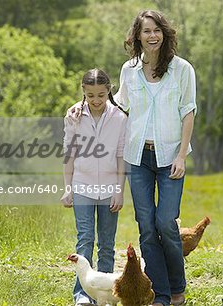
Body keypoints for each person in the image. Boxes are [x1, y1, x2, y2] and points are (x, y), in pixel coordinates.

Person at [114, 9, 197, 306]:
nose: (152, 36)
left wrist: (181, 156)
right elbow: (119, 107)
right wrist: (82, 107)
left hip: (170, 157)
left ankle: (177, 286)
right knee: (146, 226)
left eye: (157, 30)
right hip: (138, 157)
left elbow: (188, 111)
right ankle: (160, 294)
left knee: (165, 222)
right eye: (146, 31)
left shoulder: (182, 69)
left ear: (165, 34)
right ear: (137, 36)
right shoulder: (129, 70)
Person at [61, 68, 127, 306]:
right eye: (91, 96)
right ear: (83, 93)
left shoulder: (119, 118)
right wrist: (67, 188)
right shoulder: (74, 117)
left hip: (110, 189)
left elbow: (121, 156)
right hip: (81, 186)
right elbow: (69, 155)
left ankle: (108, 294)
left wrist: (119, 190)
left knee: (107, 244)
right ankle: (82, 295)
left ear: (109, 91)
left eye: (101, 95)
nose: (96, 100)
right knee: (85, 239)